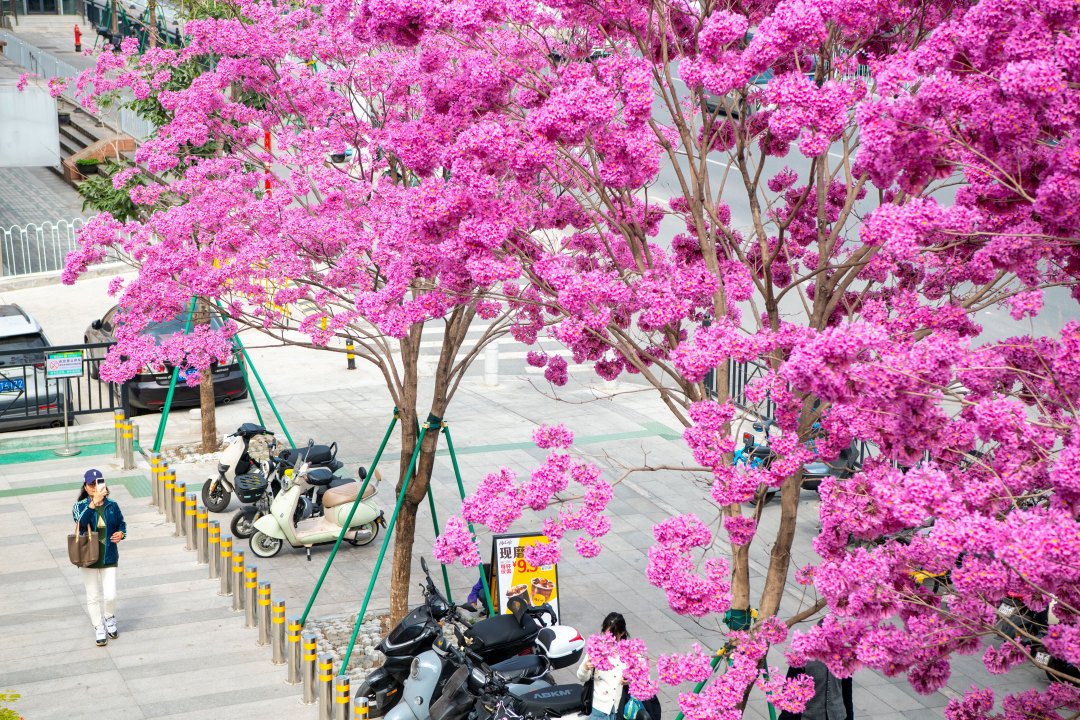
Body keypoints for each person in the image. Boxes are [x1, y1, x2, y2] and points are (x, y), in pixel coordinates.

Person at [73, 469, 126, 646]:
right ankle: (98, 626)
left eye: (98, 483)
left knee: (110, 595)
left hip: (109, 555)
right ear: (85, 487)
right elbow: (80, 526)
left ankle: (109, 617)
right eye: (91, 485)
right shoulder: (80, 506)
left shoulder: (113, 505)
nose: (95, 487)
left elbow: (121, 524)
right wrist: (93, 505)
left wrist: (121, 534)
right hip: (88, 557)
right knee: (93, 595)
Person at [577, 612, 629, 720]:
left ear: (622, 632)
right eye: (607, 634)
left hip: (620, 709)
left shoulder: (630, 653)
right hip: (599, 710)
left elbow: (640, 678)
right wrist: (585, 668)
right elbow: (582, 677)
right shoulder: (596, 650)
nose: (610, 639)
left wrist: (630, 681)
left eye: (614, 636)